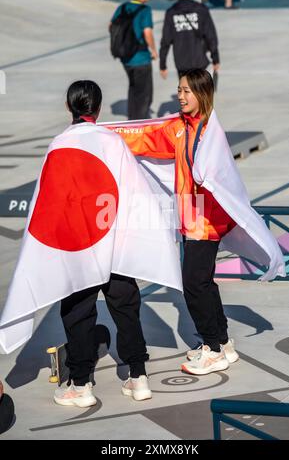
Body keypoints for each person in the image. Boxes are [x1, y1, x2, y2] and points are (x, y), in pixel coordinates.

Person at [106, 68, 285, 375]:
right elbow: (145, 137)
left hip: (207, 220)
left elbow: (217, 172)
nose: (180, 95)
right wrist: (105, 134)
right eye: (179, 90)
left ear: (202, 94)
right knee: (202, 282)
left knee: (192, 284)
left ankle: (212, 348)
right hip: (192, 218)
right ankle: (223, 342)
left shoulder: (209, 131)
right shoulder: (179, 127)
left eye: (187, 91)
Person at [51, 80, 154, 407]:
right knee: (126, 308)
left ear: (70, 107)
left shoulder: (60, 144)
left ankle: (81, 385)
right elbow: (135, 190)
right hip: (114, 241)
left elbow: (52, 201)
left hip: (80, 245)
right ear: (97, 108)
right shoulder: (114, 141)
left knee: (77, 311)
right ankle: (138, 377)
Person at [110, 0, 158, 120]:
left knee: (133, 88)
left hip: (125, 59)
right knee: (145, 95)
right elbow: (147, 33)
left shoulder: (122, 7)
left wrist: (123, 43)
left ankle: (132, 119)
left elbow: (111, 26)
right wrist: (153, 50)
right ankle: (139, 125)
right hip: (141, 58)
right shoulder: (145, 10)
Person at [159, 0, 220, 79]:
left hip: (181, 62)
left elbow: (165, 41)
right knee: (199, 90)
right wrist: (215, 58)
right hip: (199, 60)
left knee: (185, 90)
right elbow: (211, 37)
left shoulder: (171, 12)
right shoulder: (201, 9)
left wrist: (162, 65)